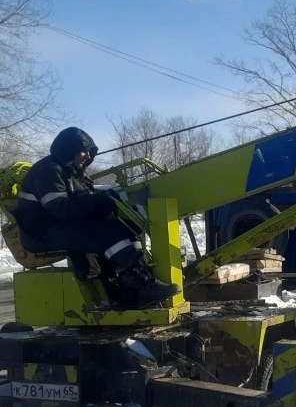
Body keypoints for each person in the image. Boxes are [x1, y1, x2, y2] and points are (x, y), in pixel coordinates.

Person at [11, 127, 180, 309]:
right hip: (42, 231)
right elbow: (60, 209)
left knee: (126, 229)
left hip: (60, 225)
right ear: (68, 149)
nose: (86, 155)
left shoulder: (72, 172)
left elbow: (82, 203)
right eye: (83, 150)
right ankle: (142, 286)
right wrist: (96, 201)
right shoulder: (48, 171)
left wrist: (102, 203)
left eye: (89, 152)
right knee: (107, 233)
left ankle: (131, 291)